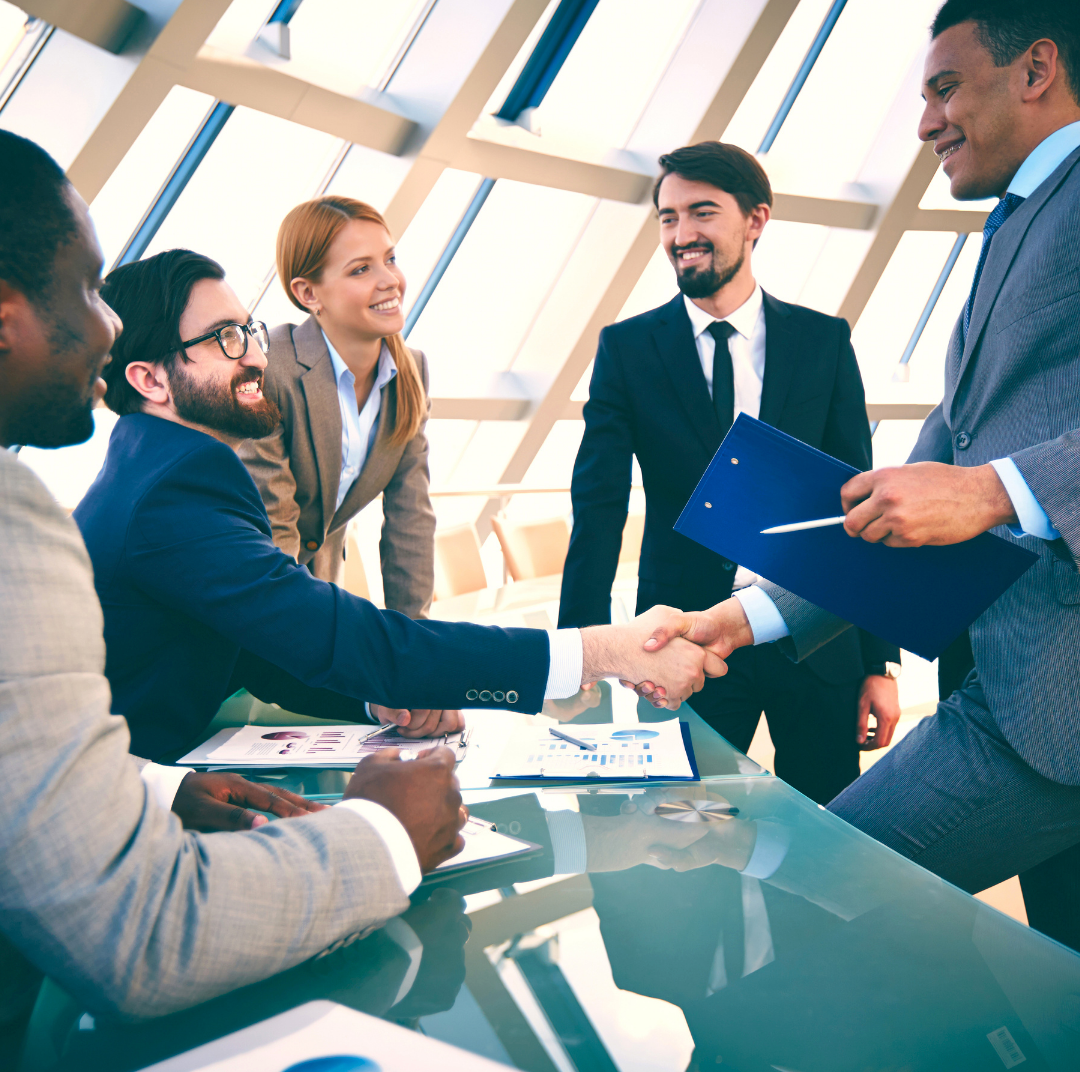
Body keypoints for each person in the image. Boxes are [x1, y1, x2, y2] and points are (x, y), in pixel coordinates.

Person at [0, 129, 469, 1048]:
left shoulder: (143, 467)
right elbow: (137, 933)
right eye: (88, 289)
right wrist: (380, 833)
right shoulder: (41, 517)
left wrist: (155, 789)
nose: (103, 323)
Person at [640, 0, 1080, 949]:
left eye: (947, 89)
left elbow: (971, 482)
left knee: (814, 901)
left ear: (1037, 69)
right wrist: (744, 617)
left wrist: (993, 491)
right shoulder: (1016, 224)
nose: (926, 123)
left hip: (1045, 710)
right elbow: (895, 503)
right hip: (1013, 692)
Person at [74, 247, 718, 761]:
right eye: (225, 339)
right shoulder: (175, 489)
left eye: (250, 330)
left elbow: (259, 646)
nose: (255, 355)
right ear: (150, 378)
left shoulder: (159, 467)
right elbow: (333, 633)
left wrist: (377, 702)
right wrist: (603, 651)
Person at [559, 141, 901, 805]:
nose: (681, 235)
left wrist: (876, 662)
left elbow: (860, 502)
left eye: (702, 213)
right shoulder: (626, 349)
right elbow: (597, 505)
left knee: (829, 849)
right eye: (667, 217)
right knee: (676, 836)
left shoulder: (822, 342)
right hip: (682, 638)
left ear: (756, 219)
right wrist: (584, 653)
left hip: (816, 637)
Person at [241, 196, 449, 731]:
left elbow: (411, 520)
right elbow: (276, 527)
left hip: (316, 593)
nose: (390, 281)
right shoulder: (274, 368)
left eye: (390, 259)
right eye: (361, 269)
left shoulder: (410, 371)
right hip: (249, 608)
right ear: (309, 294)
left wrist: (411, 656)